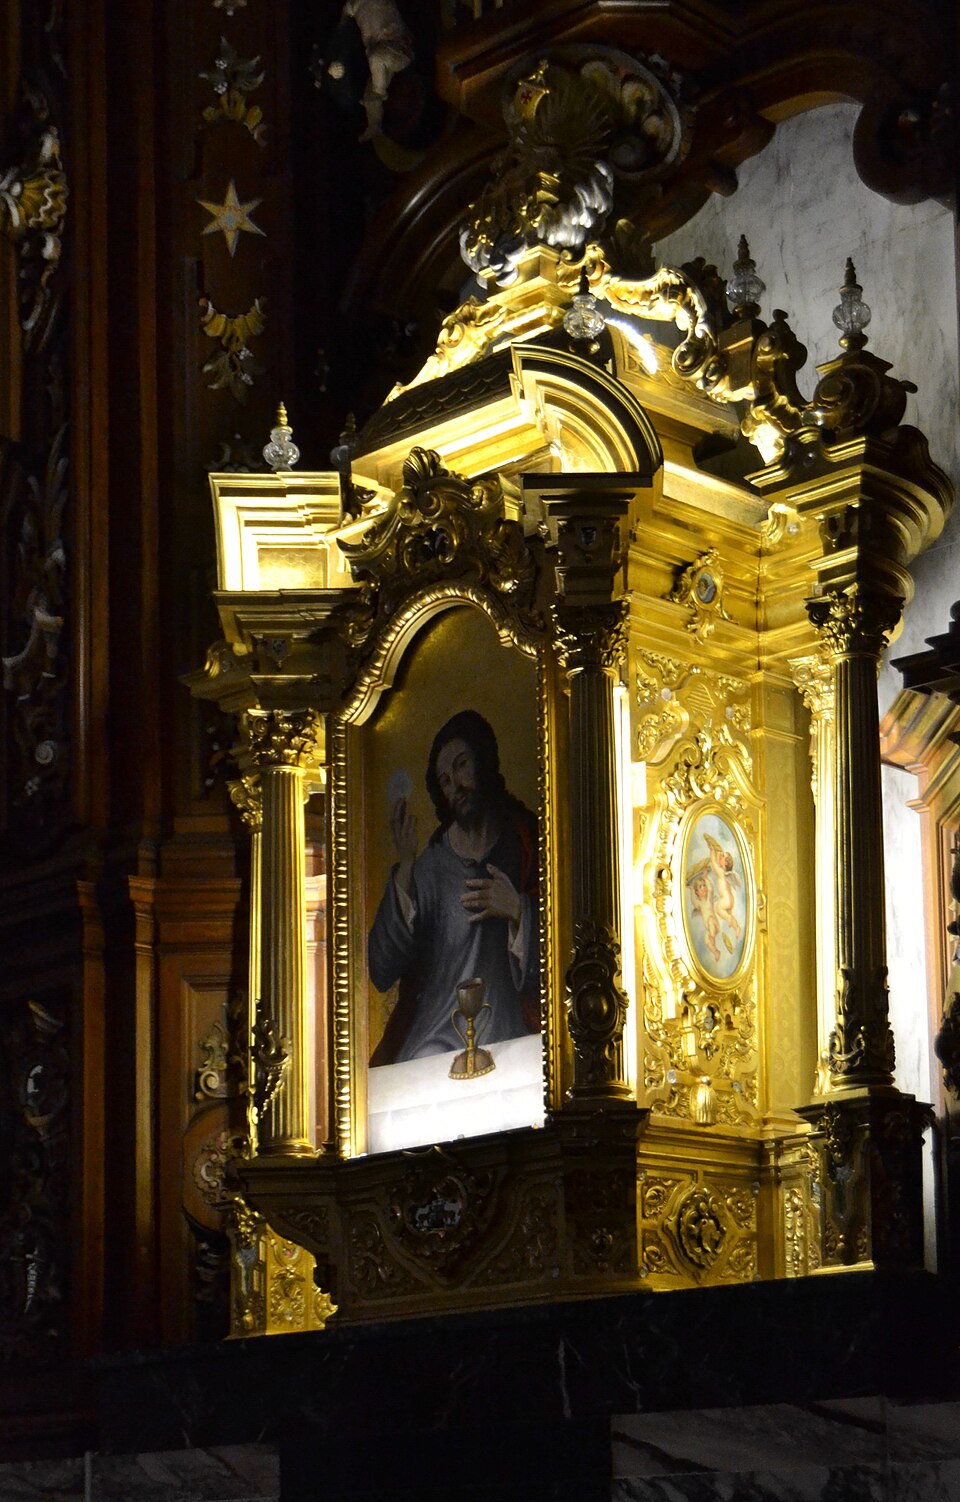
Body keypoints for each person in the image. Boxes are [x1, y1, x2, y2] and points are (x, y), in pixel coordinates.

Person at [368, 710, 540, 1065]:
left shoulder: (524, 843)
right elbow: (381, 969)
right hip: (437, 1038)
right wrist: (404, 868)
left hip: (511, 1032)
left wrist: (520, 912)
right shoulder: (428, 867)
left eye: (462, 766)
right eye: (445, 781)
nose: (456, 787)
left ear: (484, 761)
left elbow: (571, 955)